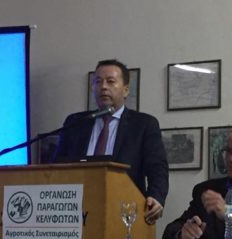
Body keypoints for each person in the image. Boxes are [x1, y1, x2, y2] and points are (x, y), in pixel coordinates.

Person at [54, 59, 168, 224]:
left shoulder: (143, 124)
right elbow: (58, 166)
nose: (103, 87)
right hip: (75, 213)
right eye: (98, 81)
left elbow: (157, 168)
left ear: (126, 90)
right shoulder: (76, 122)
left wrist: (156, 197)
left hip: (124, 212)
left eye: (110, 81)